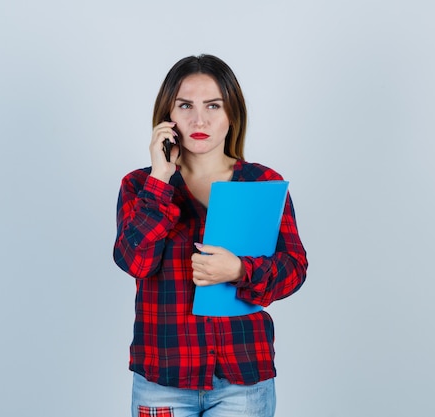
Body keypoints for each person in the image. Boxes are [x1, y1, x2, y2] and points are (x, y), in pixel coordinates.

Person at [113, 54, 308, 417]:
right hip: (163, 381)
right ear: (167, 117)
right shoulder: (139, 185)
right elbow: (135, 261)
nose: (199, 119)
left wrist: (238, 270)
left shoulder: (261, 183)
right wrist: (160, 177)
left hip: (243, 380)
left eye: (213, 106)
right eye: (185, 105)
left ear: (231, 114)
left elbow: (294, 269)